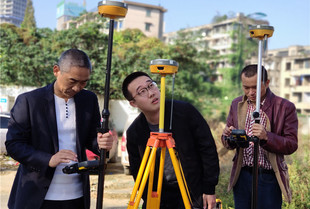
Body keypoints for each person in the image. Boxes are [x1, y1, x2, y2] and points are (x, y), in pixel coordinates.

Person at [5, 49, 114, 209]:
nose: (77, 87)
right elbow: (14, 145)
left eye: (84, 82)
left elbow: (92, 139)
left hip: (76, 194)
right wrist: (48, 159)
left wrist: (102, 144)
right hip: (37, 195)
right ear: (56, 70)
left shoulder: (88, 99)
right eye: (72, 81)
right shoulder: (29, 101)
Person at [122, 71, 220, 209]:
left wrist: (209, 189)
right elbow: (138, 171)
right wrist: (147, 199)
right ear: (133, 103)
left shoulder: (185, 112)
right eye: (142, 91)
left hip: (193, 193)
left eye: (151, 86)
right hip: (160, 197)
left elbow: (208, 149)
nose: (151, 93)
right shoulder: (135, 132)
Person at [221, 64, 298, 209]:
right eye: (246, 87)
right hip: (242, 175)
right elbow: (227, 142)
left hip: (268, 177)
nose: (251, 92)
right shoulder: (237, 103)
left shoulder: (285, 106)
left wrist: (267, 137)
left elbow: (292, 144)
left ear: (267, 83)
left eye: (255, 87)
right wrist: (228, 136)